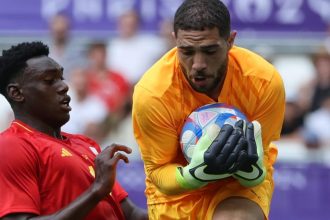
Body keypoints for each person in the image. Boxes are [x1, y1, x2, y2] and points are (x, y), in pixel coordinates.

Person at [132, 0, 285, 219]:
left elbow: (262, 154)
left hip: (237, 188)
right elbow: (158, 171)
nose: (198, 64)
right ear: (175, 41)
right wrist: (196, 174)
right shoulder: (152, 94)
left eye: (210, 51)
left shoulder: (264, 81)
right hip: (177, 195)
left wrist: (252, 174)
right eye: (186, 51)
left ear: (230, 41)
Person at [0, 42, 148, 220]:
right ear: (16, 93)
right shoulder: (12, 146)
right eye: (49, 81)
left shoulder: (85, 144)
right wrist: (96, 190)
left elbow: (131, 214)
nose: (64, 86)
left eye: (61, 77)